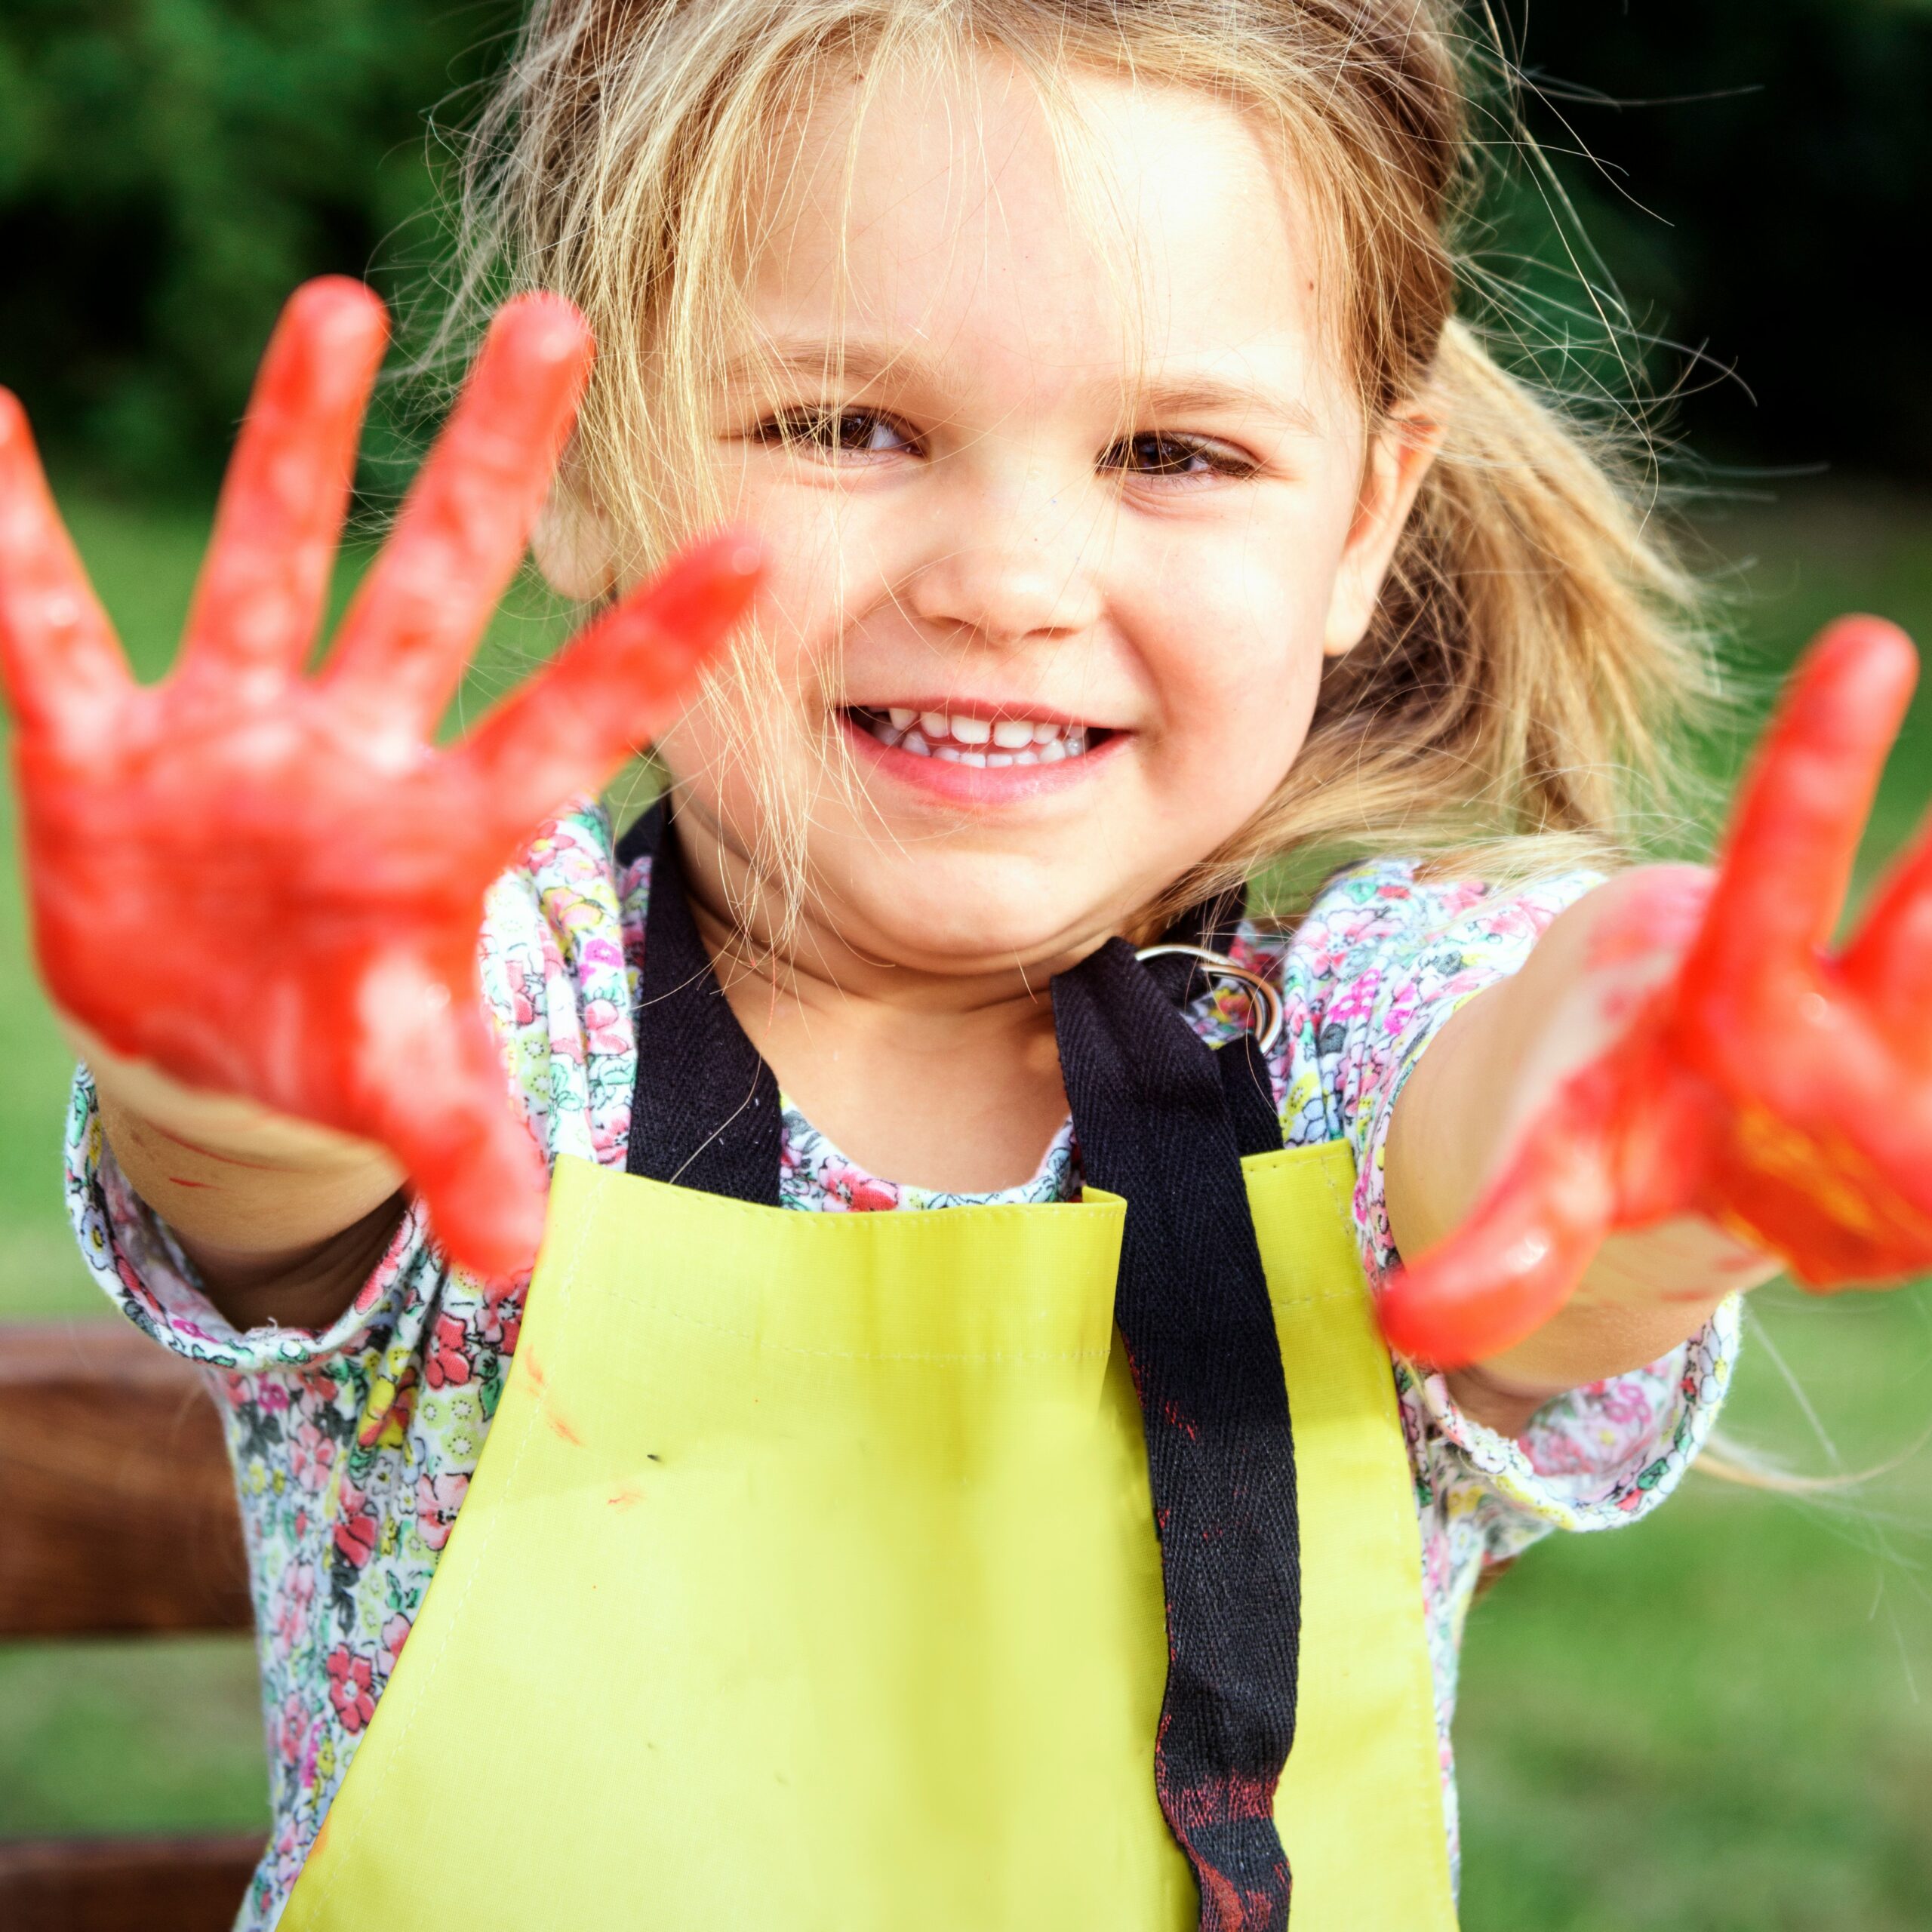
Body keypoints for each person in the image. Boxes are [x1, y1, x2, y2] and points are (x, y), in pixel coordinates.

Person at [4, 2, 1930, 1927]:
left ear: (1362, 519)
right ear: (582, 472)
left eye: (1172, 452)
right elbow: (280, 1153)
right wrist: (237, 1043)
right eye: (846, 425)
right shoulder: (509, 1004)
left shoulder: (1345, 1045)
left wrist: (1645, 1116)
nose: (1005, 579)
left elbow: (1517, 1177)